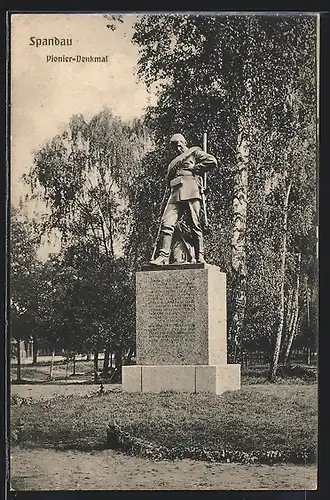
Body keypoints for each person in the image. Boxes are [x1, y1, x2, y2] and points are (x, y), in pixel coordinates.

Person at [150, 133, 218, 266]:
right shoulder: (172, 164)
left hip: (191, 190)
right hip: (175, 193)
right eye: (175, 145)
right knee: (166, 223)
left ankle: (200, 257)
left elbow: (212, 161)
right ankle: (163, 256)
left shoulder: (194, 152)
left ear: (184, 142)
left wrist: (195, 168)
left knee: (195, 224)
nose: (178, 147)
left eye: (179, 143)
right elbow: (167, 182)